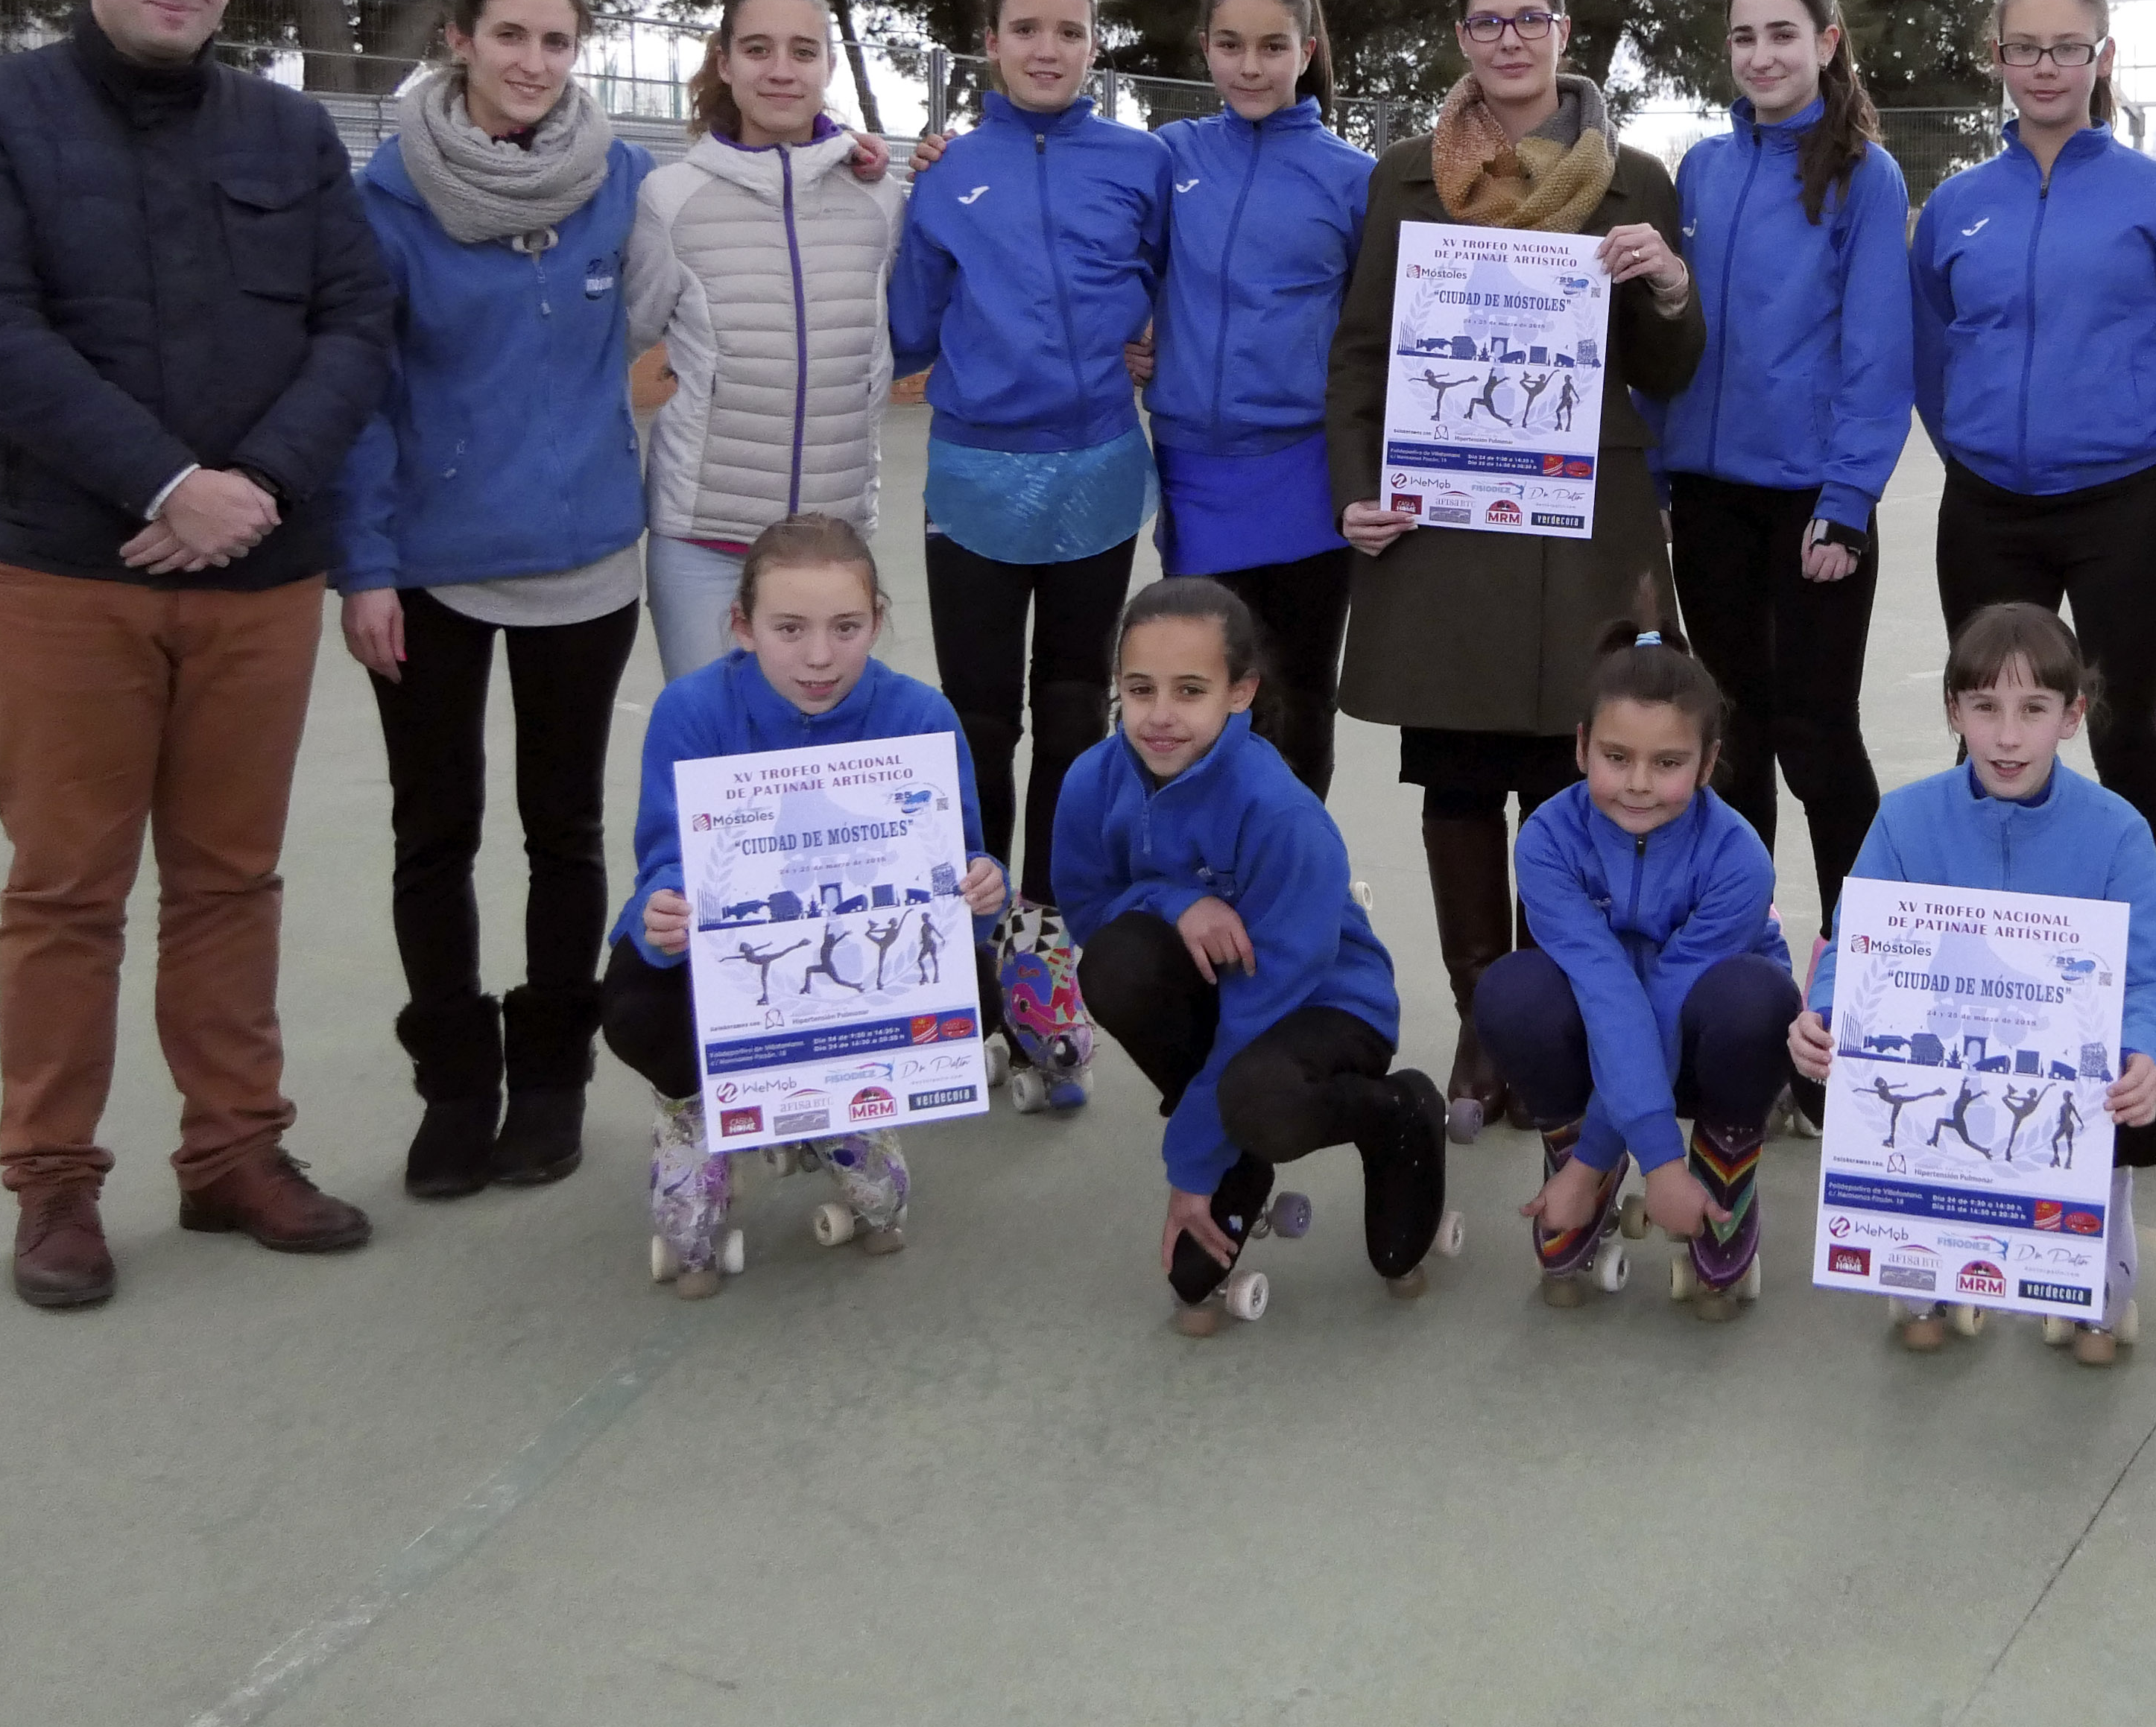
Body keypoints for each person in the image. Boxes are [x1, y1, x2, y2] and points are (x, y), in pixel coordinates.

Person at [0, 0, 395, 1308]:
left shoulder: (286, 133)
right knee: (66, 891)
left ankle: (233, 1153)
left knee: (231, 879)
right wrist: (168, 483)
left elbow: (354, 324)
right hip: (69, 576)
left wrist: (251, 490)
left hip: (254, 578)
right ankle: (54, 1187)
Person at [1325, 0, 1706, 1138]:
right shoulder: (1398, 176)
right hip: (1444, 525)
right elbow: (1362, 355)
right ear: (1459, 37)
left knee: (1569, 775)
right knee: (1453, 778)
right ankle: (1481, 1029)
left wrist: (1666, 288)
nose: (1506, 38)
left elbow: (1670, 372)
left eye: (1527, 17)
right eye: (1484, 19)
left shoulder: (1637, 177)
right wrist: (1354, 486)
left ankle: (1553, 1025)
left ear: (1563, 30)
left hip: (1583, 527)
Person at [332, 0, 651, 1201]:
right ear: (457, 39)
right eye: (508, 35)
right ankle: (455, 1089)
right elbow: (359, 396)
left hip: (585, 558)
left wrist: (856, 151)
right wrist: (361, 564)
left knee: (564, 827)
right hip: (428, 564)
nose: (532, 62)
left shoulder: (622, 178)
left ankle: (554, 1081)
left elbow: (709, 278)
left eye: (556, 41)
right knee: (436, 831)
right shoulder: (385, 199)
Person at [889, 0, 1170, 1103]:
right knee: (974, 717)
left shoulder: (1141, 163)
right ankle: (964, 942)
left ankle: (1045, 952)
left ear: (1095, 43)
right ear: (990, 45)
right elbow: (912, 322)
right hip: (974, 479)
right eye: (1024, 29)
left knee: (1070, 717)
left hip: (1100, 473)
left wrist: (1148, 343)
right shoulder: (946, 176)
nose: (1047, 48)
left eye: (1069, 28)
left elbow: (1170, 286)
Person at [601, 515, 1008, 1297]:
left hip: (856, 962)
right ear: (742, 626)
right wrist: (664, 911)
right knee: (633, 1003)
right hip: (732, 965)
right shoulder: (692, 710)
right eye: (789, 628)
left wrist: (983, 886)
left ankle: (842, 1103)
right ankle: (696, 1108)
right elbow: (664, 853)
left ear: (877, 622)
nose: (819, 655)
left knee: (975, 989)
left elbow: (960, 865)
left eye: (846, 627)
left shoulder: (922, 717)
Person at [1790, 603, 2156, 1367]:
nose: (2007, 736)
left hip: (2065, 1082)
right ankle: (1923, 1274)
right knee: (1842, 1073)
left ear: (2072, 715)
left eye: (2033, 709)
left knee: (2144, 1107)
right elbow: (1857, 943)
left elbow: (2155, 976)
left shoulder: (2116, 831)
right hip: (1938, 1059)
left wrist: (2148, 1051)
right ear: (1954, 711)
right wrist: (1820, 1013)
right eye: (1985, 708)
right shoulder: (1907, 820)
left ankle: (2092, 1276)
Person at [1060, 579, 1455, 1334]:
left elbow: (1261, 1001)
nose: (1160, 714)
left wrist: (1188, 1168)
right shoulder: (1092, 780)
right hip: (1224, 1001)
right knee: (1115, 963)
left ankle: (1395, 1114)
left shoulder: (1280, 813)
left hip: (1324, 1002)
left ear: (1239, 691)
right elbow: (1087, 910)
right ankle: (1233, 1150)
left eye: (1190, 689)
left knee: (1262, 1100)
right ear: (1117, 683)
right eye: (1139, 688)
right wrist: (1173, 901)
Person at [1911, 0, 2156, 922]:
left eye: (2066, 47)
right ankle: (1989, 970)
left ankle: (2148, 1005)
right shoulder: (1959, 204)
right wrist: (1978, 447)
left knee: (2132, 744)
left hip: (2130, 510)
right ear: (1996, 56)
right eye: (2024, 47)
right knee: (1991, 746)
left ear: (2101, 57)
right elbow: (1930, 357)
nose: (2044, 67)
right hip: (1988, 511)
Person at [1656, 0, 1910, 946]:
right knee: (1733, 737)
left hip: (1814, 503)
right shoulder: (1703, 171)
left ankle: (1866, 959)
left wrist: (1847, 500)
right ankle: (1738, 953)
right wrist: (1659, 465)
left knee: (1815, 734)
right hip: (1710, 499)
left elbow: (1877, 349)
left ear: (1827, 42)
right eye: (1744, 36)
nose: (1762, 56)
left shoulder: (1865, 174)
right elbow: (1668, 327)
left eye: (1783, 34)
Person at [1476, 624, 1798, 1321]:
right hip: (1604, 1037)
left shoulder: (1740, 860)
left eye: (1668, 762)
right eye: (1617, 757)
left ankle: (1727, 1149)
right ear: (1582, 744)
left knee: (1760, 999)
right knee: (1511, 990)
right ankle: (1570, 1147)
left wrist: (1664, 1167)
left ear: (1709, 764)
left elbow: (1664, 1002)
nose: (1639, 785)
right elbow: (1607, 989)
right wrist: (1611, 1161)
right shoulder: (1547, 841)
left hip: (1704, 1047)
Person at [1140, 0, 1374, 799]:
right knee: (1198, 695)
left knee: (1300, 696)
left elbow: (1376, 329)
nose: (1250, 65)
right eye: (1231, 44)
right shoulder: (1167, 158)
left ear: (1306, 50)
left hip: (1307, 474)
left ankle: (1293, 883)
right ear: (1203, 48)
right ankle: (1198, 873)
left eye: (1272, 45)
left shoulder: (1352, 177)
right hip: (1196, 472)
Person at [627, 0, 904, 683]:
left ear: (829, 66)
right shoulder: (670, 198)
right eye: (757, 49)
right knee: (713, 761)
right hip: (702, 541)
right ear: (725, 62)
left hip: (832, 543)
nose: (781, 70)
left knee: (813, 764)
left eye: (803, 51)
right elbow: (623, 334)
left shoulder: (881, 201)